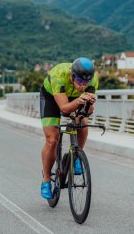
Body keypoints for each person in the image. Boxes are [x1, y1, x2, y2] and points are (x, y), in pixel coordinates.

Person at [39, 57, 98, 199]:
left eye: (86, 83)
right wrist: (78, 100)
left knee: (83, 122)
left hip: (75, 98)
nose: (83, 86)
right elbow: (64, 110)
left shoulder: (93, 79)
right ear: (72, 75)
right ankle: (46, 179)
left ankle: (77, 156)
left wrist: (89, 104)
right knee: (52, 139)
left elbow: (89, 112)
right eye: (79, 81)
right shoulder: (59, 75)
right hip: (52, 98)